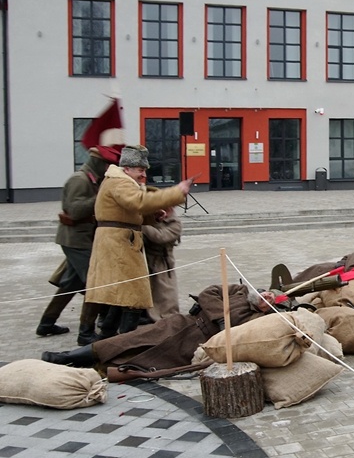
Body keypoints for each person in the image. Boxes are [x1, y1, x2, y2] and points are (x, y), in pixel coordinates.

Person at [41, 284, 288, 370]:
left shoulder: (257, 320)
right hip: (183, 323)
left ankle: (89, 366)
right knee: (129, 340)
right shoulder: (239, 291)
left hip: (193, 345)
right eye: (266, 294)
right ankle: (66, 357)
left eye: (271, 300)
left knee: (138, 358)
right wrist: (221, 319)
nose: (266, 298)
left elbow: (243, 335)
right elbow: (208, 293)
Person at [86, 144, 191, 338]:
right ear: (127, 168)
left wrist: (152, 217)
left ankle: (108, 338)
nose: (142, 175)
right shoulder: (120, 182)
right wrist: (177, 192)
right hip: (119, 243)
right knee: (134, 295)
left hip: (121, 241)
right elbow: (138, 202)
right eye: (140, 170)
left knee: (126, 295)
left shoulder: (118, 180)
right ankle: (124, 340)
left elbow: (129, 211)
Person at [35, 146, 119, 345]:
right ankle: (86, 332)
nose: (108, 168)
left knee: (70, 284)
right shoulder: (79, 180)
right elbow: (74, 210)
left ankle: (46, 323)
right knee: (96, 283)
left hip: (82, 238)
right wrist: (102, 196)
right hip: (75, 239)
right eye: (107, 164)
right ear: (98, 162)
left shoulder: (92, 180)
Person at [142, 206, 183, 322]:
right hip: (146, 259)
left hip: (162, 262)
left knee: (165, 291)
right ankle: (145, 313)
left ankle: (167, 315)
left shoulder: (175, 224)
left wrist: (142, 227)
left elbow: (161, 236)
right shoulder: (152, 218)